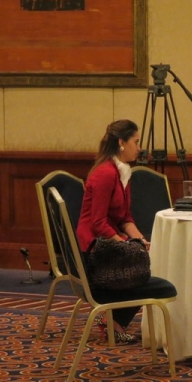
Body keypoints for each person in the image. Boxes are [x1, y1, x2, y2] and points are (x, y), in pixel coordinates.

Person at [76, 119, 150, 343]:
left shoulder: (122, 172)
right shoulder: (105, 174)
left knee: (147, 254)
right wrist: (125, 244)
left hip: (108, 240)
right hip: (94, 246)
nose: (139, 148)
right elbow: (98, 223)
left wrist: (140, 240)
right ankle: (114, 321)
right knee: (143, 266)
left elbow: (125, 218)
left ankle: (114, 321)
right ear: (121, 143)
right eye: (136, 142)